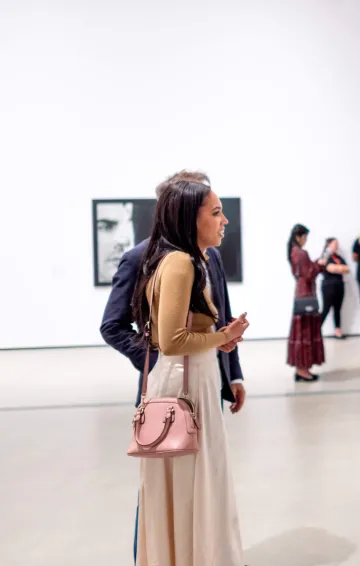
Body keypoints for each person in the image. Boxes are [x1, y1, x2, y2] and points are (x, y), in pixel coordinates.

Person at [98, 170, 247, 563]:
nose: (222, 220)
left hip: (204, 379)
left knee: (203, 482)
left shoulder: (207, 255)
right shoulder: (148, 258)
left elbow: (220, 318)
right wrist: (154, 363)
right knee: (168, 489)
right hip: (174, 384)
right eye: (214, 210)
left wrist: (232, 371)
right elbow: (117, 326)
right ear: (184, 210)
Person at [288, 224, 328, 380]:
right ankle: (303, 370)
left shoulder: (293, 252)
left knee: (301, 334)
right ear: (299, 237)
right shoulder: (302, 253)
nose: (305, 240)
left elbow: (305, 271)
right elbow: (310, 274)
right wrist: (320, 265)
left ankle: (301, 368)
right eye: (305, 237)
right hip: (307, 296)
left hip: (300, 295)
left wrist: (315, 264)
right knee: (305, 334)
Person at [319, 237, 349, 339]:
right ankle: (316, 330)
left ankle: (338, 331)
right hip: (328, 286)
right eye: (334, 244)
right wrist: (339, 268)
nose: (336, 246)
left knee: (337, 309)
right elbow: (329, 268)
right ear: (329, 245)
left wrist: (338, 268)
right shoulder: (325, 258)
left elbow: (347, 268)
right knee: (326, 309)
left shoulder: (339, 258)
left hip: (339, 285)